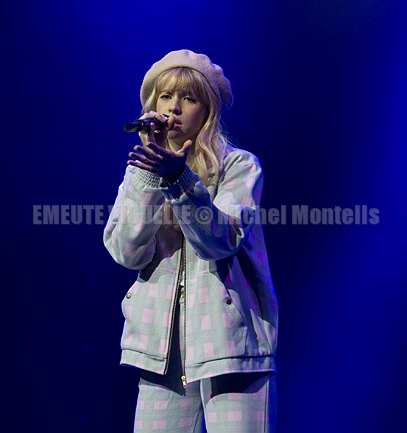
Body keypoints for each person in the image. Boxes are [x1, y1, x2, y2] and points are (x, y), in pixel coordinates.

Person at [104, 49, 278, 433]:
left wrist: (178, 180)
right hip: (161, 353)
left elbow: (219, 241)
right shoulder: (142, 171)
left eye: (188, 98)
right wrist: (150, 177)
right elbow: (125, 251)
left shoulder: (238, 167)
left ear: (208, 110)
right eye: (166, 97)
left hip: (230, 350)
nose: (174, 109)